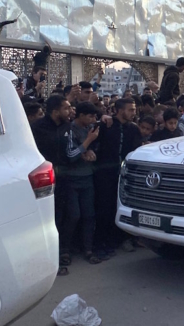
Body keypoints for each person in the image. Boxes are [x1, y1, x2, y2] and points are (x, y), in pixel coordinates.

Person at [93, 98, 142, 258]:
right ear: (120, 110)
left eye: (134, 110)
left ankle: (116, 240)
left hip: (124, 175)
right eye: (130, 110)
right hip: (104, 175)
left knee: (119, 208)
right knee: (103, 210)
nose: (133, 113)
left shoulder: (133, 129)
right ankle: (99, 244)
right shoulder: (106, 126)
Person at [31, 95, 73, 275]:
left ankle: (62, 251)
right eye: (66, 108)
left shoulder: (67, 126)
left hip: (64, 179)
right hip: (43, 180)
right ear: (55, 112)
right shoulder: (36, 128)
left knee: (67, 215)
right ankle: (48, 260)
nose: (70, 111)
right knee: (48, 219)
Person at [62, 101, 101, 266]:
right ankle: (64, 250)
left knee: (89, 215)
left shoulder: (89, 129)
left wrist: (91, 151)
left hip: (87, 176)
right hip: (72, 178)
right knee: (73, 216)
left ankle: (88, 249)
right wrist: (88, 142)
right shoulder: (70, 130)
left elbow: (94, 150)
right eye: (91, 116)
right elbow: (71, 154)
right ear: (82, 115)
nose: (93, 119)